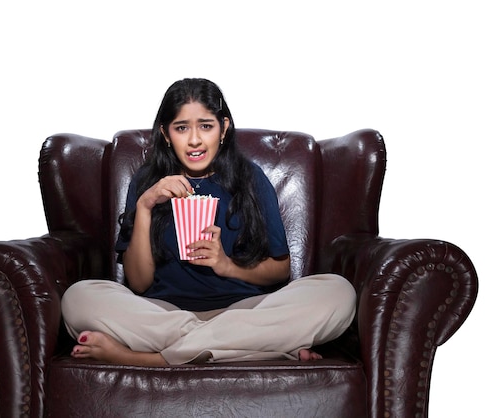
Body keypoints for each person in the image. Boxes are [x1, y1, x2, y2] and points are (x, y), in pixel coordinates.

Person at [61, 78, 356, 366]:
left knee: (338, 292)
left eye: (205, 126)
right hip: (164, 313)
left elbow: (280, 270)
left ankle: (150, 359)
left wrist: (226, 264)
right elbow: (138, 283)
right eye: (181, 128)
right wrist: (146, 205)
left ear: (223, 128)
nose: (194, 140)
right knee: (78, 298)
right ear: (166, 134)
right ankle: (256, 347)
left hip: (243, 311)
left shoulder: (250, 178)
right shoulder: (147, 182)